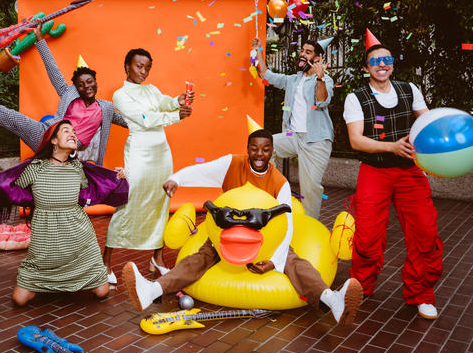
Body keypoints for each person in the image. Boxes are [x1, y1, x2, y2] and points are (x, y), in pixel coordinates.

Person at [122, 129, 363, 326]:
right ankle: (151, 291)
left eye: (266, 149)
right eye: (254, 148)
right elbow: (202, 171)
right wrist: (177, 178)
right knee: (198, 259)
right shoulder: (232, 164)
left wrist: (275, 262)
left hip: (265, 241)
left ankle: (333, 301)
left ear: (273, 151)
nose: (259, 154)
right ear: (247, 149)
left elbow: (286, 225)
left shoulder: (280, 182)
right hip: (226, 237)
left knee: (296, 264)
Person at [343, 31, 442, 320]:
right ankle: (361, 287)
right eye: (375, 61)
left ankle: (421, 293)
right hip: (374, 172)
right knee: (368, 235)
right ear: (366, 68)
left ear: (393, 64)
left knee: (425, 231)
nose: (381, 65)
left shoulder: (410, 89)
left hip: (409, 172)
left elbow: (426, 120)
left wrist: (440, 132)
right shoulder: (355, 97)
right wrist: (391, 146)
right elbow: (356, 141)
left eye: (386, 60)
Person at [0, 120, 126, 306]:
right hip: (46, 245)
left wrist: (117, 177)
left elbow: (99, 187)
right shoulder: (36, 167)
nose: (73, 134)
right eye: (67, 131)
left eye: (74, 131)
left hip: (80, 241)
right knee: (19, 300)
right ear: (53, 141)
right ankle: (49, 281)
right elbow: (7, 186)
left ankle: (78, 276)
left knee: (102, 292)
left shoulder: (77, 168)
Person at [0, 23, 127, 165]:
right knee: (14, 118)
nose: (86, 86)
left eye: (89, 82)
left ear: (96, 83)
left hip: (69, 150)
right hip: (49, 136)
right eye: (81, 84)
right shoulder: (68, 94)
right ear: (76, 88)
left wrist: (152, 122)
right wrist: (39, 40)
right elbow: (53, 70)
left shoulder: (106, 108)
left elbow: (129, 121)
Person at [103, 48, 193, 283]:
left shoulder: (151, 89)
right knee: (129, 202)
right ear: (127, 66)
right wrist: (175, 116)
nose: (143, 71)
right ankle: (105, 262)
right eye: (138, 66)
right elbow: (145, 119)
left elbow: (163, 101)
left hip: (161, 153)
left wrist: (178, 101)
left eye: (147, 67)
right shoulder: (120, 95)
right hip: (140, 153)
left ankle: (157, 259)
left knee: (161, 202)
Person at [251, 36, 335, 220]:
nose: (302, 54)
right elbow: (266, 75)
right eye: (302, 51)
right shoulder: (293, 80)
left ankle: (310, 227)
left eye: (308, 52)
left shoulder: (325, 80)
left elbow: (322, 102)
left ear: (317, 58)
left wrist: (320, 77)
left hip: (316, 140)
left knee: (310, 188)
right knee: (265, 147)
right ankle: (271, 191)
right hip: (292, 135)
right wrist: (258, 50)